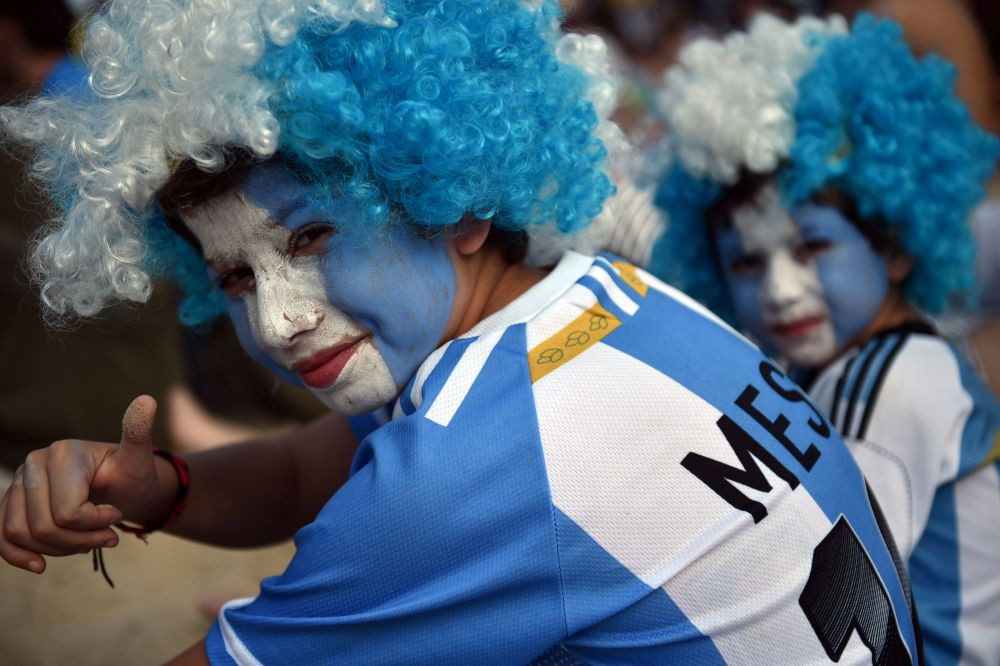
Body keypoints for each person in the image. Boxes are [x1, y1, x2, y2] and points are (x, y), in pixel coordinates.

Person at [0, 1, 918, 663]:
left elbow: (406, 492)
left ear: (455, 204)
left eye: (313, 237)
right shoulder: (601, 297)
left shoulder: (467, 467)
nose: (279, 321)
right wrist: (160, 489)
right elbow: (304, 471)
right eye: (235, 277)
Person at [650, 13, 1000, 665]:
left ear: (893, 246)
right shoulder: (871, 361)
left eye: (810, 248)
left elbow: (832, 594)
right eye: (748, 264)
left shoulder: (886, 387)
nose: (782, 291)